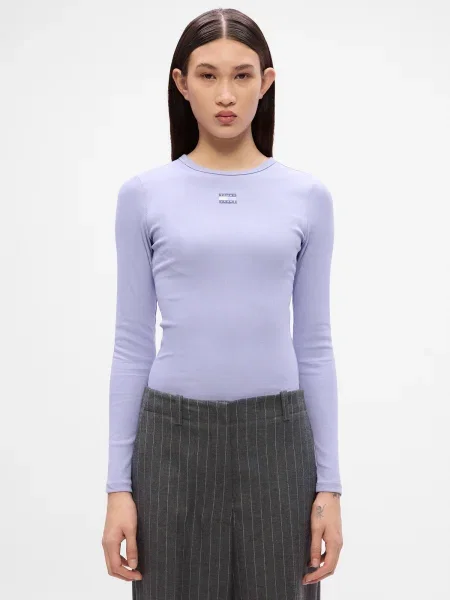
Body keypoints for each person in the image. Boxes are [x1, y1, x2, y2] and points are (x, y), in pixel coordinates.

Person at [102, 7, 344, 599]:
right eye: (208, 76)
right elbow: (131, 344)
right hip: (171, 441)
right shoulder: (144, 196)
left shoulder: (307, 197)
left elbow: (314, 344)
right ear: (181, 83)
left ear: (266, 81)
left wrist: (330, 487)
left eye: (242, 75)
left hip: (279, 442)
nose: (226, 95)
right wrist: (118, 488)